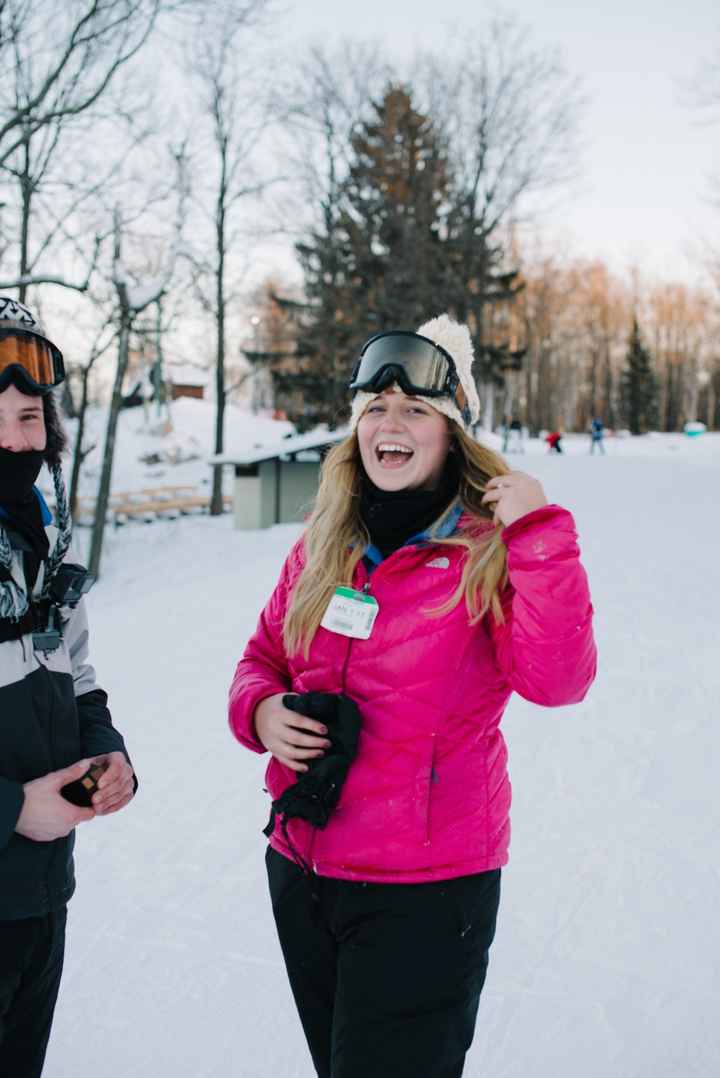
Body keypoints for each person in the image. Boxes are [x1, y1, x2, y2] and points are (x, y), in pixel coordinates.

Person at [229, 314, 596, 1078]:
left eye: (417, 410)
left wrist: (538, 533)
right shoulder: (324, 540)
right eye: (376, 410)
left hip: (426, 894)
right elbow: (261, 657)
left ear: (452, 432)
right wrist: (261, 712)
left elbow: (559, 681)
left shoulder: (490, 546)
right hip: (303, 868)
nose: (390, 425)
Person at [0, 296, 137, 1077]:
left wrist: (104, 751)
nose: (13, 440)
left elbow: (76, 671)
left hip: (39, 898)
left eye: (29, 419)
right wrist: (17, 807)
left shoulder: (42, 538)